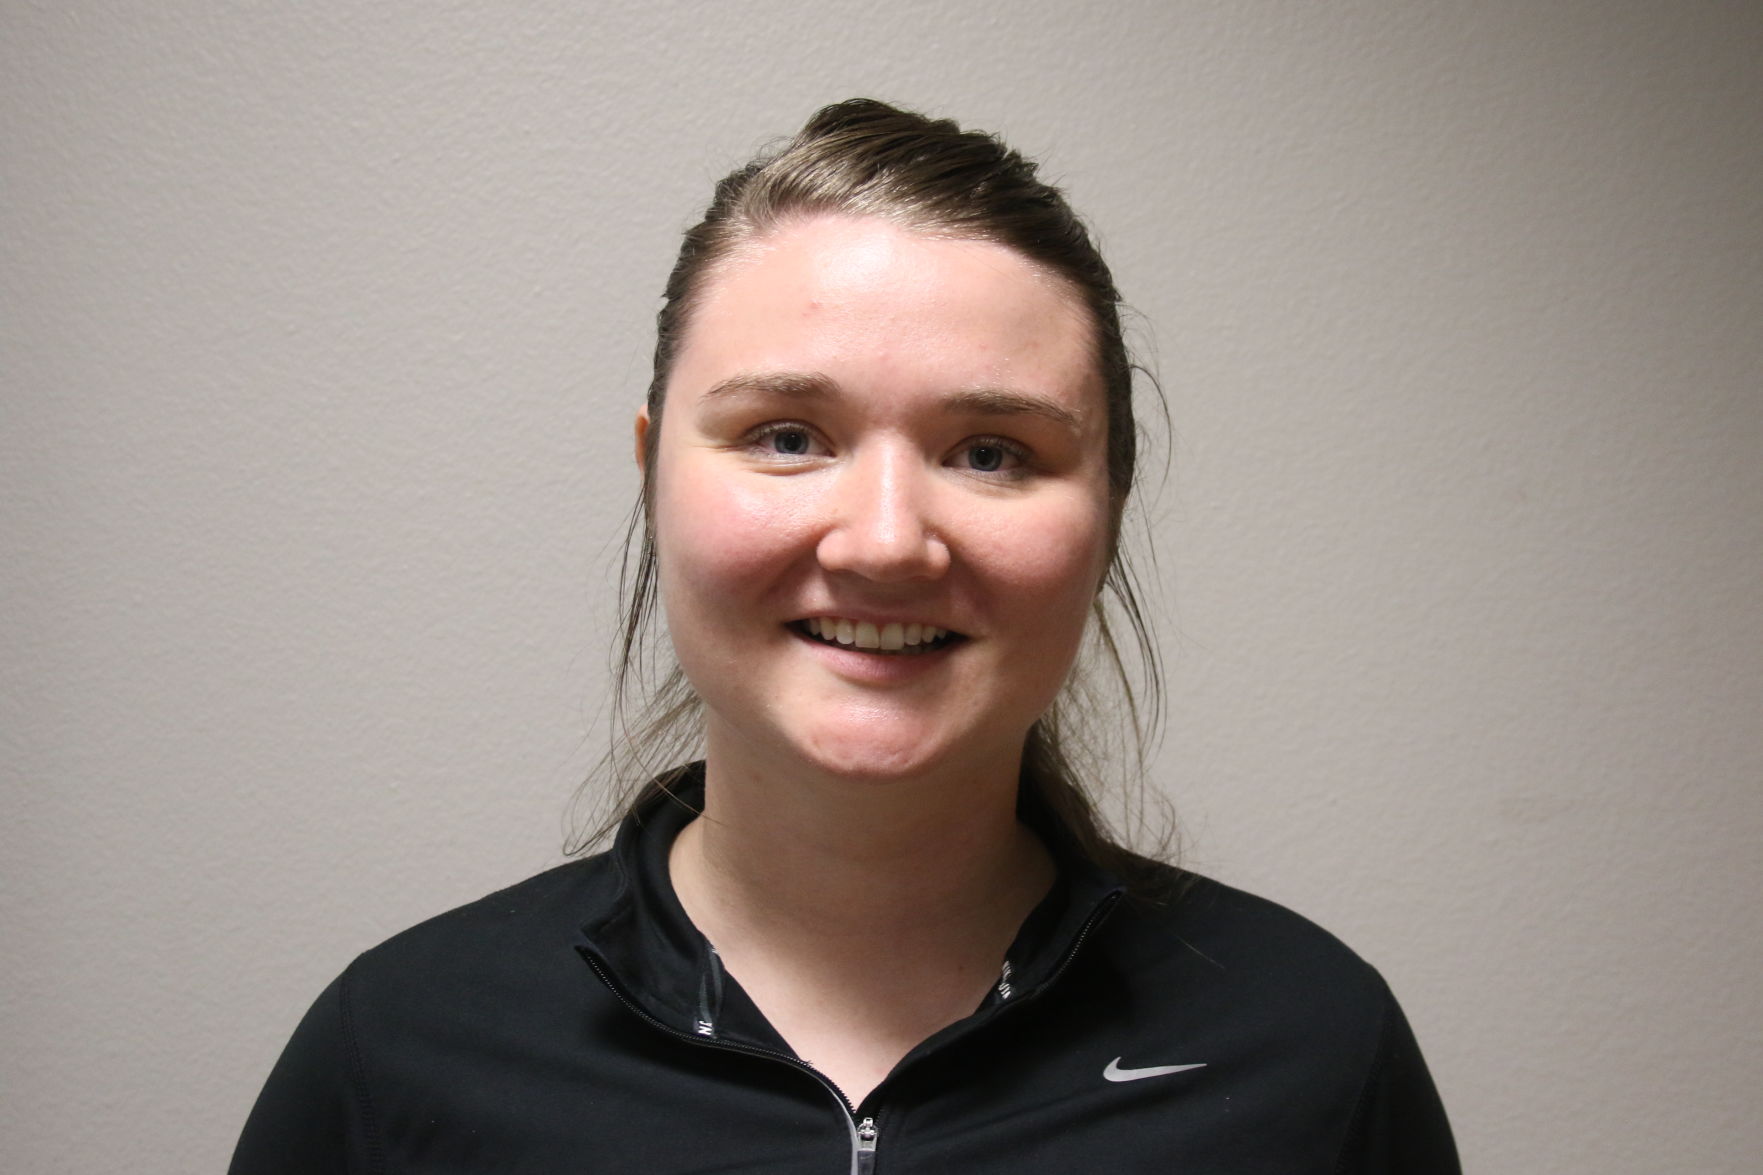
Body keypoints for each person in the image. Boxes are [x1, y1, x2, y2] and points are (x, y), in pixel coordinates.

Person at [230, 99, 1458, 1173]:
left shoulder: (1310, 1049)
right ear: (653, 475)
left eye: (991, 453)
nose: (883, 541)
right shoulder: (394, 1054)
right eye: (785, 436)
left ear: (1109, 507)